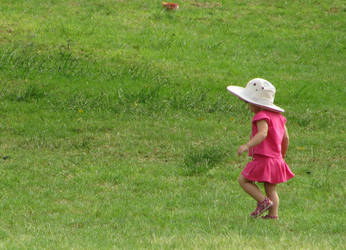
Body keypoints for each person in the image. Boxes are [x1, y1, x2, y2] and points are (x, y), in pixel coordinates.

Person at [226, 78, 294, 219]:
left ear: (256, 104)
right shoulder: (279, 118)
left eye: (248, 102)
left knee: (243, 180)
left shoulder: (261, 116)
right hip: (276, 159)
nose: (248, 106)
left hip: (264, 157)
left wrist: (247, 145)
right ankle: (273, 216)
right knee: (271, 189)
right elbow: (286, 138)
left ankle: (263, 202)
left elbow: (262, 133)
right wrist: (282, 155)